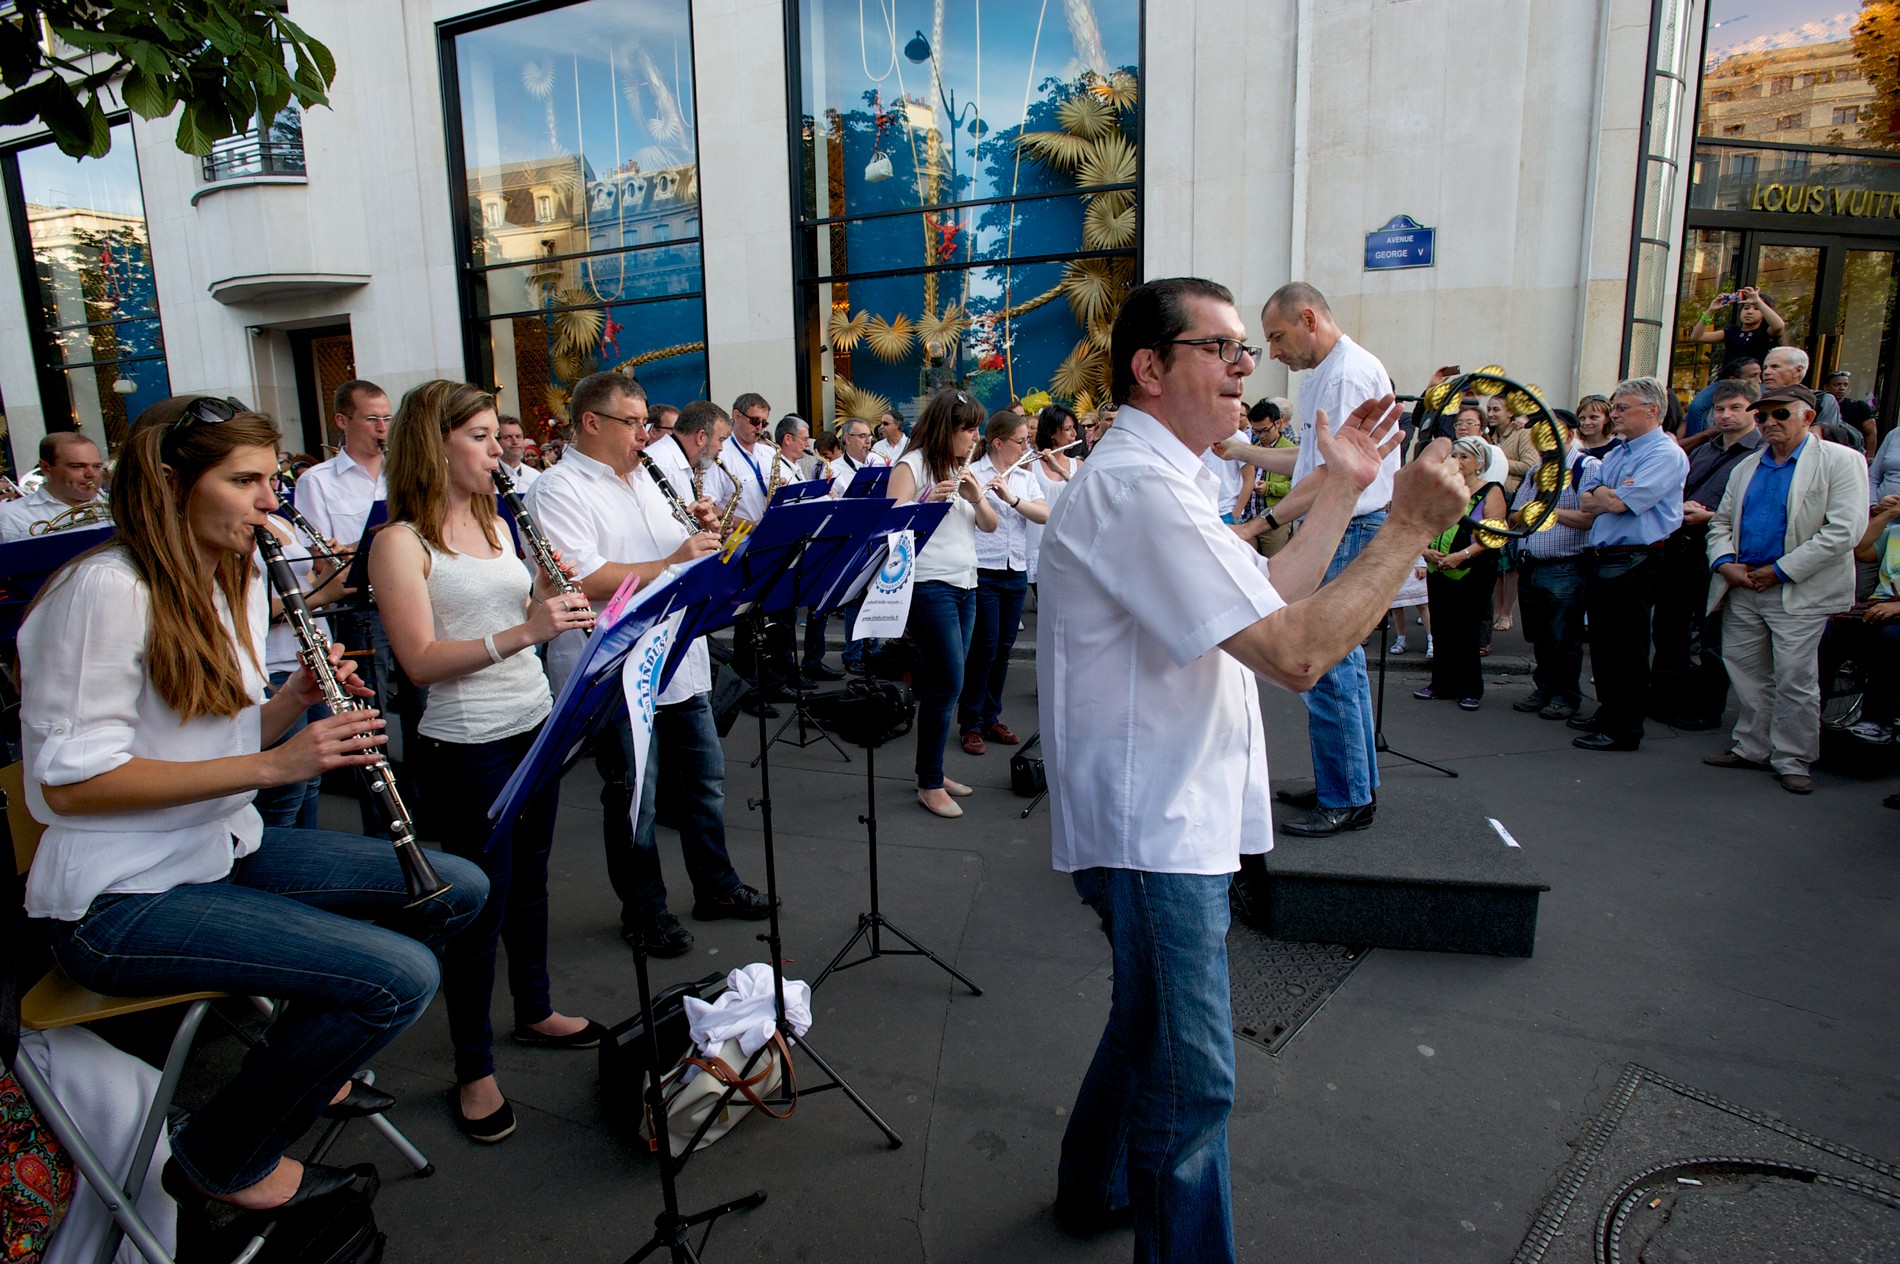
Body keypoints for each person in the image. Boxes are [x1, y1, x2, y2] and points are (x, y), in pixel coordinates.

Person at [1040, 276, 1466, 1262]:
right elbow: (1296, 654)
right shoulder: (1139, 488)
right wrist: (1405, 528)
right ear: (1150, 369)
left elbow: (1267, 595)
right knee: (1193, 1083)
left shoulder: (1162, 477)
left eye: (1249, 347)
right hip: (1153, 828)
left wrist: (1349, 487)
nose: (1247, 367)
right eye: (1221, 348)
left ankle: (1091, 1182)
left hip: (1164, 814)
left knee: (1143, 1027)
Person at [18, 395, 486, 1211]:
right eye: (246, 481)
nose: (273, 501)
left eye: (272, 478)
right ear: (169, 485)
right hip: (118, 899)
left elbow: (208, 738)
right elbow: (68, 783)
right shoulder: (105, 592)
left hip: (212, 849)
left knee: (457, 888)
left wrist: (293, 699)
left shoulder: (225, 576)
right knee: (398, 977)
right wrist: (275, 765)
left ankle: (305, 1059)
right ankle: (217, 1158)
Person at [369, 380, 601, 1143]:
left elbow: (508, 611)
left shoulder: (499, 520)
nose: (497, 449)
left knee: (531, 884)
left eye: (493, 435)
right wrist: (529, 629)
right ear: (432, 445)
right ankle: (474, 1066)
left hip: (533, 721)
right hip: (466, 745)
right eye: (476, 436)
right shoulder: (400, 541)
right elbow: (420, 662)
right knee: (479, 907)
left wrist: (543, 589)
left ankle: (533, 1009)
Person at [527, 379, 772, 957]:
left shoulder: (651, 478)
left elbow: (689, 553)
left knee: (706, 782)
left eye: (646, 423)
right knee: (636, 794)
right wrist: (672, 559)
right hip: (615, 661)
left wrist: (703, 530)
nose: (646, 435)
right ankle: (645, 910)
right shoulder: (556, 488)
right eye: (633, 422)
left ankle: (716, 886)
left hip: (679, 653)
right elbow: (580, 578)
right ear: (591, 422)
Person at [1215, 282, 1398, 836]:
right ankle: (1352, 782)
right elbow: (1309, 458)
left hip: (1348, 522)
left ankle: (1346, 794)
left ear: (1309, 319)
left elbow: (1327, 475)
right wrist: (1243, 450)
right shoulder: (1336, 370)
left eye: (1275, 336)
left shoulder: (1342, 375)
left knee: (1323, 658)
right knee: (1344, 662)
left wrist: (1257, 524)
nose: (1272, 353)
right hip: (1352, 520)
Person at [1702, 384, 1869, 794]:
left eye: (1780, 415)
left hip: (1798, 589)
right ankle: (1751, 746)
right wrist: (1725, 564)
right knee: (1747, 673)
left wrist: (1780, 571)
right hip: (1743, 585)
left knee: (1795, 677)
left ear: (1808, 417)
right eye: (1762, 417)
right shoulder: (1747, 466)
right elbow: (1721, 523)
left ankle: (1793, 758)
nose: (1769, 423)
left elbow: (1845, 530)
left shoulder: (1841, 461)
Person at [887, 389, 998, 819]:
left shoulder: (962, 467)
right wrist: (923, 504)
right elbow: (890, 528)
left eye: (976, 428)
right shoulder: (911, 465)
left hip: (966, 583)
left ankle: (931, 769)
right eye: (968, 428)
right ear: (944, 428)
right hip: (928, 585)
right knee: (949, 680)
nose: (975, 437)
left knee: (947, 681)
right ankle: (929, 782)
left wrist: (977, 497)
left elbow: (988, 526)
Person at [1569, 377, 1690, 752]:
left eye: (1622, 408)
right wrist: (1607, 494)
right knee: (1605, 644)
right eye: (1614, 407)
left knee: (1628, 647)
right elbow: (1586, 497)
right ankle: (1609, 711)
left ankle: (1625, 727)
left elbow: (1620, 503)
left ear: (1653, 410)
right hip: (1607, 556)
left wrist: (1607, 494)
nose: (1614, 414)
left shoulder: (1664, 454)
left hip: (1638, 558)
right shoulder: (1621, 451)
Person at [1651, 380, 1763, 729]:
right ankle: (1666, 699)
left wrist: (1709, 517)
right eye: (1720, 408)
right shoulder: (1705, 449)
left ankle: (1707, 707)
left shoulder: (1760, 454)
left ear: (1753, 411)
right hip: (1680, 547)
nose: (1726, 415)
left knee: (1712, 634)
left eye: (1735, 408)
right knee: (1669, 628)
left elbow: (1756, 511)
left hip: (1718, 552)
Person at [958, 411, 1049, 755]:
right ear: (999, 443)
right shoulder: (975, 473)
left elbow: (1045, 514)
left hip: (1015, 570)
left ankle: (991, 716)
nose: (1027, 446)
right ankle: (970, 723)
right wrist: (983, 494)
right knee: (985, 648)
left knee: (1004, 649)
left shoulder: (1024, 477)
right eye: (1021, 441)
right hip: (983, 569)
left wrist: (1011, 497)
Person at [1509, 410, 1593, 719]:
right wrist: (1540, 512)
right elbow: (1515, 516)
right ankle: (1543, 688)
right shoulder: (1535, 472)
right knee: (1540, 636)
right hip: (1532, 563)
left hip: (1565, 565)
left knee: (1564, 636)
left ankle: (1566, 695)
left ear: (1568, 434)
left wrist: (1547, 512)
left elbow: (1588, 518)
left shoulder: (1586, 467)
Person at [1413, 437, 1507, 709]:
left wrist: (1462, 555)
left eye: (1464, 456)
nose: (1457, 460)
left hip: (1473, 569)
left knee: (1466, 628)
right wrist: (1426, 550)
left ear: (1480, 463)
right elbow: (1423, 524)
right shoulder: (1443, 489)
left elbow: (1495, 534)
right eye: (1453, 455)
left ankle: (1469, 688)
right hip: (1439, 567)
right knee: (1441, 626)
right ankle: (1441, 684)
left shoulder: (1491, 491)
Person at [1823, 496, 1900, 743]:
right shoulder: (1895, 532)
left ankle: (1878, 720)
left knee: (1889, 639)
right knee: (1827, 633)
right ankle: (1809, 711)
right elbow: (1861, 550)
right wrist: (1886, 515)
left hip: (1892, 614)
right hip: (1880, 607)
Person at [0, 432, 107, 541]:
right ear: (46, 467)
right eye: (77, 466)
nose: (91, 474)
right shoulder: (10, 515)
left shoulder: (116, 504)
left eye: (97, 466)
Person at [1762, 347, 1860, 452]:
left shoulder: (1822, 401)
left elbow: (1822, 444)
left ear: (1797, 371)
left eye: (1775, 366)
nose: (1766, 372)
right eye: (1765, 367)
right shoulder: (1756, 400)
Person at [1026, 403, 1080, 588]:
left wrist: (1059, 469)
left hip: (1069, 545)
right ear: (1051, 433)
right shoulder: (1031, 465)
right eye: (1067, 429)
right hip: (1038, 544)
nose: (1073, 434)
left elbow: (1084, 497)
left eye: (1074, 428)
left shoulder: (1078, 466)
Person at [1688, 285, 1784, 366]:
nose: (1750, 312)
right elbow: (1696, 336)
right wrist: (1710, 311)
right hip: (1728, 381)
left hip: (1753, 383)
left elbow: (1779, 326)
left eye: (1756, 309)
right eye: (1746, 308)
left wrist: (1758, 302)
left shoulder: (1765, 332)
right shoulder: (1732, 332)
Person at [1683, 358, 1762, 438]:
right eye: (1720, 409)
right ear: (1733, 379)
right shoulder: (1706, 408)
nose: (1759, 381)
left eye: (1735, 408)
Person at [494, 414, 540, 491]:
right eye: (508, 437)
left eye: (518, 436)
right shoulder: (487, 477)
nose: (515, 442)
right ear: (497, 441)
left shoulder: (536, 477)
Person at [1574, 394, 1617, 459]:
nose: (1587, 423)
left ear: (1607, 419)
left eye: (1593, 417)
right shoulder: (1573, 447)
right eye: (1582, 418)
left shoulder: (1618, 448)